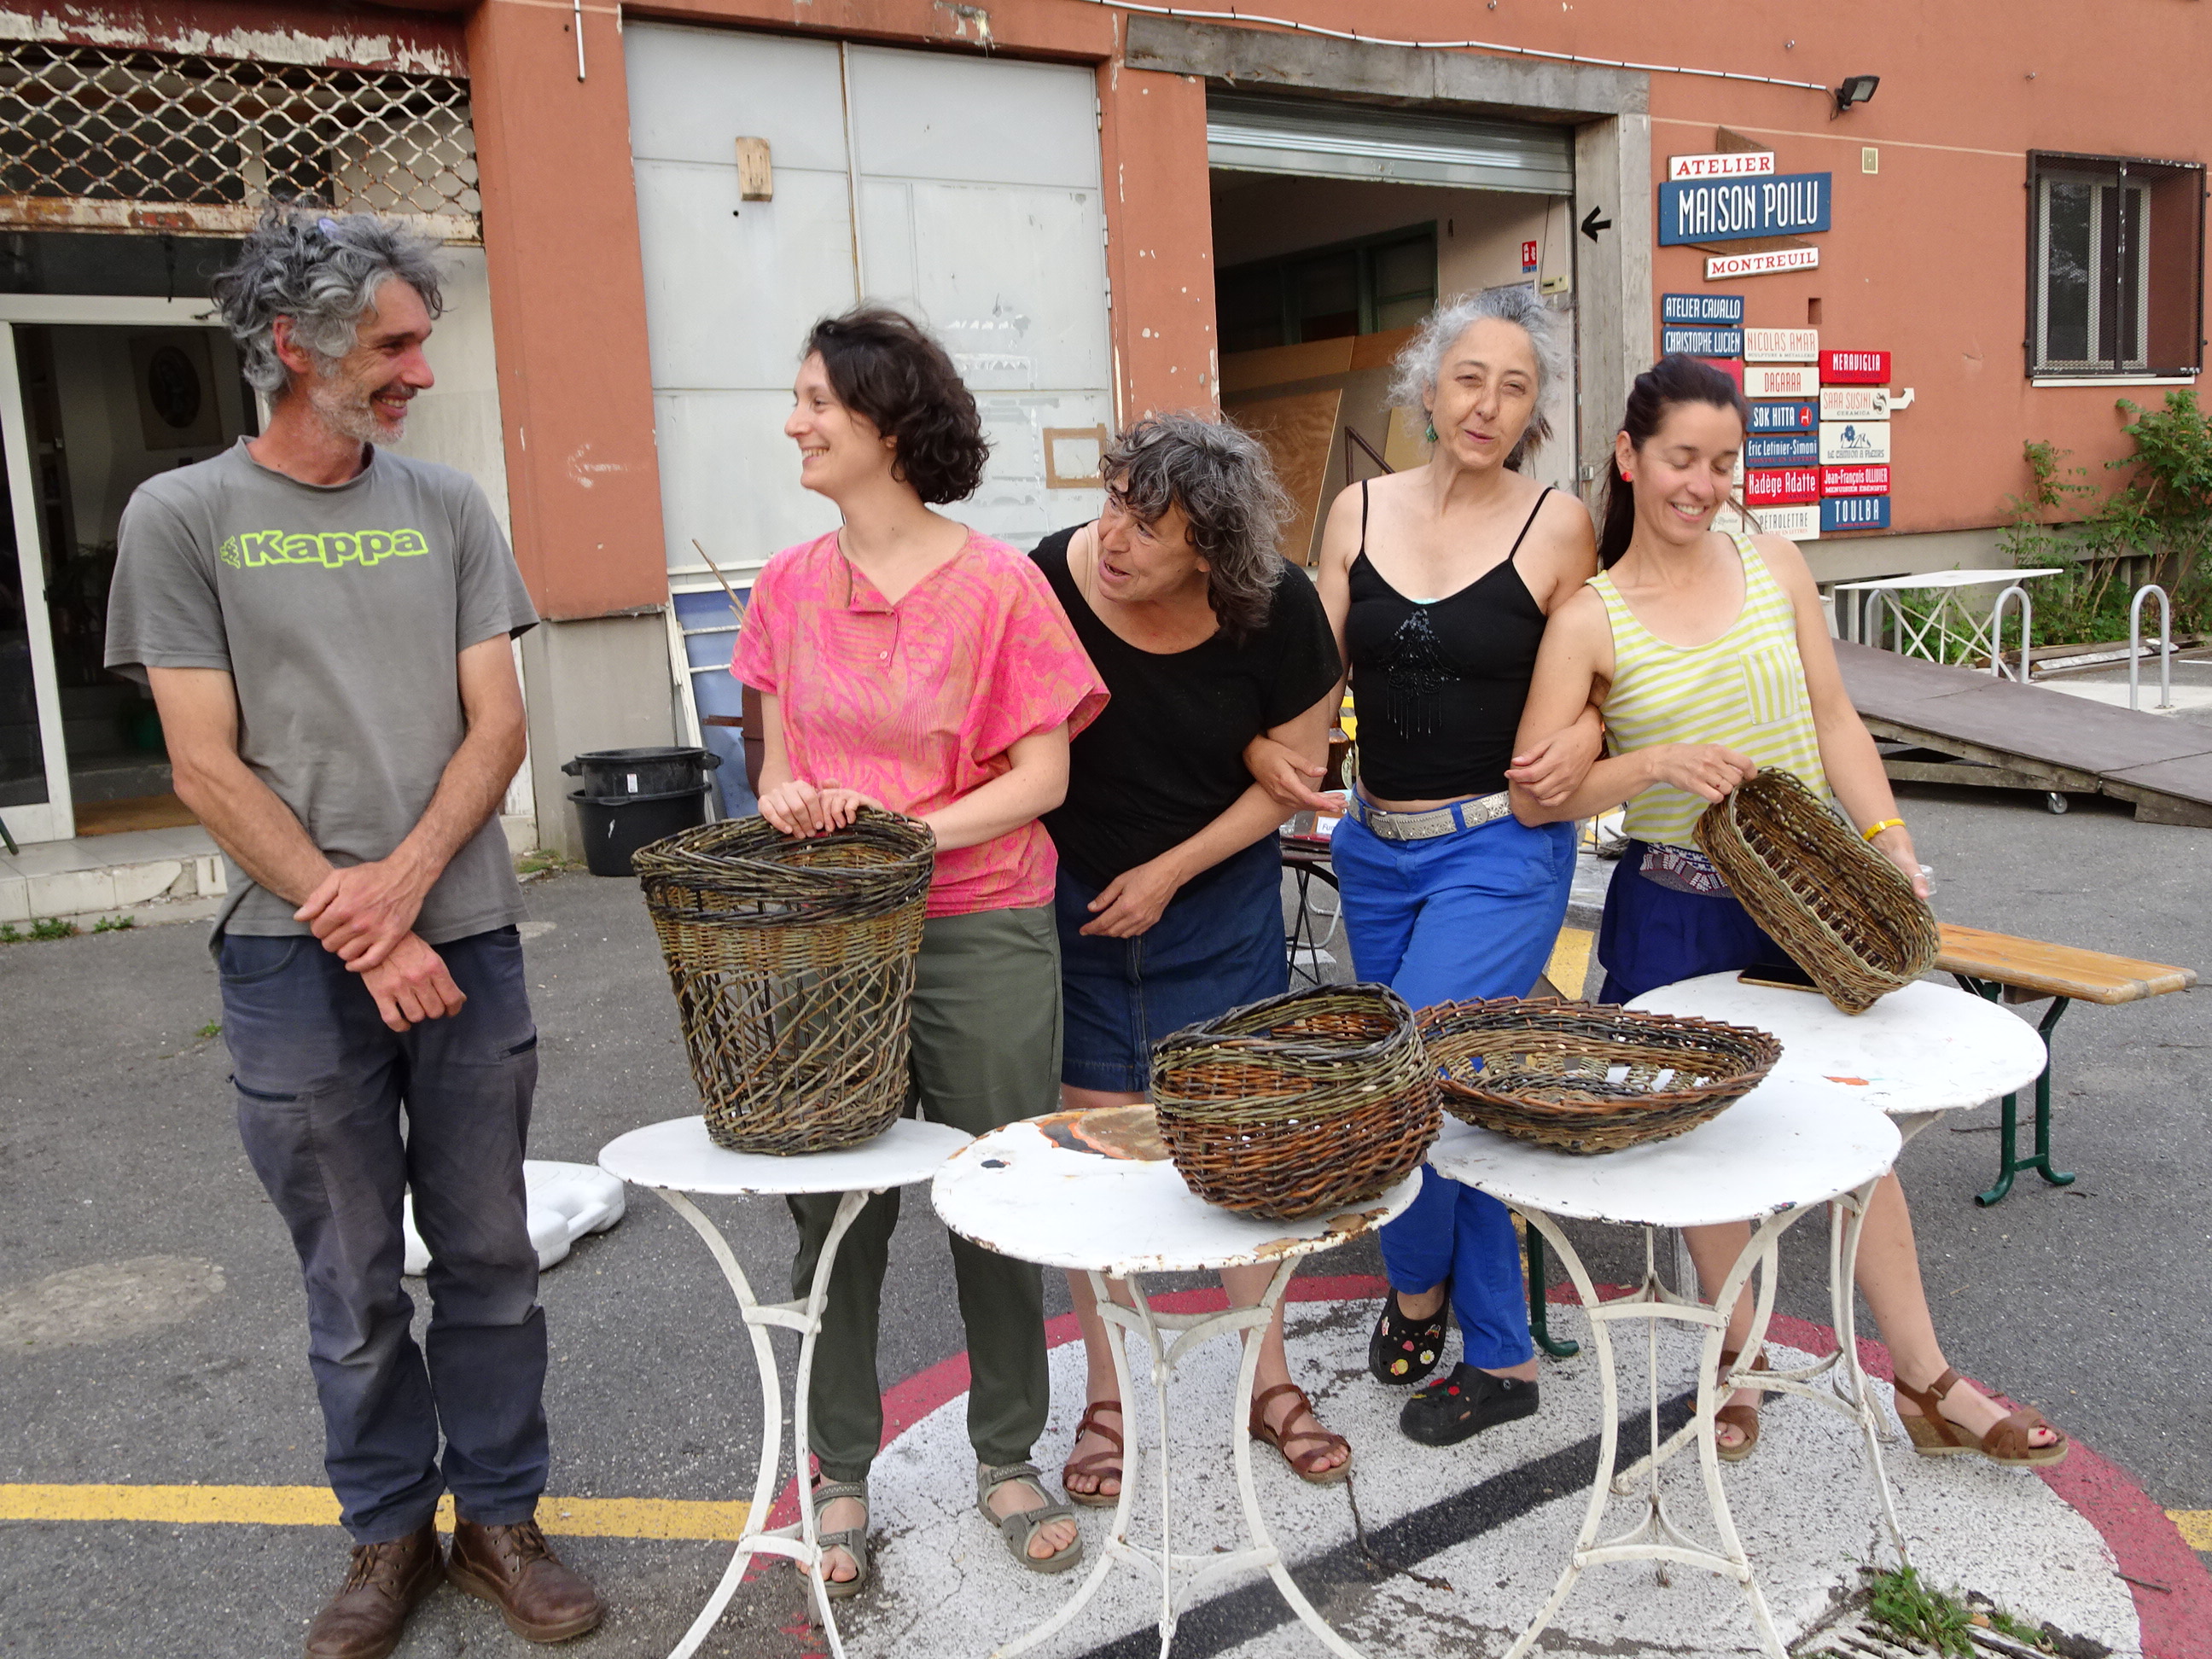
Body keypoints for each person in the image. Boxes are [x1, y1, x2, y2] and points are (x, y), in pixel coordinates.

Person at [104, 205, 603, 1659]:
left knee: (491, 1252)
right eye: (391, 347)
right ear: (294, 342)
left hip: (470, 937)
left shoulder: (446, 504)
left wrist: (406, 887)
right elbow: (202, 763)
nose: (418, 374)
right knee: (351, 1278)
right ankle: (387, 1535)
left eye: (419, 344)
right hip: (290, 964)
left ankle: (500, 1521)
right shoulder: (181, 515)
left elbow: (497, 724)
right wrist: (371, 929)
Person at [1511, 352, 2069, 1468]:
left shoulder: (1775, 563)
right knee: (1707, 1150)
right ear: (1630, 456)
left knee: (1860, 1136)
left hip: (1811, 912)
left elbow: (1834, 719)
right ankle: (1738, 1360)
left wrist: (1887, 837)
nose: (1703, 484)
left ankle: (1928, 1382)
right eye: (1682, 458)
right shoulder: (1588, 620)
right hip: (1674, 915)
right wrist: (1653, 761)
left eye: (1724, 463)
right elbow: (1538, 795)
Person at [732, 306, 1109, 1597]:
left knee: (994, 1196)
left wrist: (900, 833)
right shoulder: (788, 586)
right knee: (835, 1210)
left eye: (817, 402)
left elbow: (1043, 778)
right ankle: (838, 1468)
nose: (795, 423)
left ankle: (1006, 1452)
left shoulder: (1001, 586)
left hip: (982, 924)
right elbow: (777, 767)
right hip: (832, 934)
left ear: (888, 425)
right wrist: (791, 801)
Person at [1247, 285, 1604, 1448]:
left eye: (1515, 388)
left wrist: (1592, 735)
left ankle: (1498, 1354)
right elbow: (1312, 670)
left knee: (1418, 1073)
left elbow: (1601, 671)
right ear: (1428, 388)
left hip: (1498, 850)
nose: (1488, 405)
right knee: (1411, 1077)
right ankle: (1419, 1286)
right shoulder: (1357, 508)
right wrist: (1268, 755)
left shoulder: (1557, 524)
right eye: (1469, 379)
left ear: (1534, 411)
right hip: (1375, 848)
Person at [1031, 413, 1344, 1502]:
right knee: (1095, 1155)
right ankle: (1107, 1397)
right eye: (1114, 504)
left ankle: (1269, 1381)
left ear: (1209, 552)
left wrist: (1171, 871)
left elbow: (1295, 776)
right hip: (1077, 898)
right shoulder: (1049, 581)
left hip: (1216, 900)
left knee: (1238, 1148)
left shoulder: (1278, 607)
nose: (1112, 538)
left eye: (1147, 527)